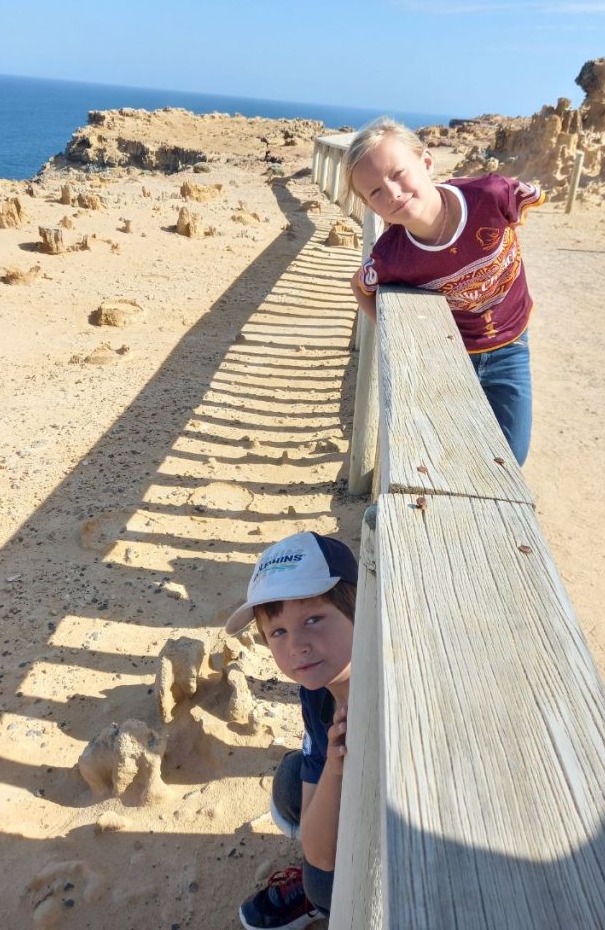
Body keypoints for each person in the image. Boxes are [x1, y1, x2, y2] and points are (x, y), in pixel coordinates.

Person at [345, 117, 546, 466]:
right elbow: (360, 287)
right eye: (375, 191)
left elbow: (529, 197)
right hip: (449, 354)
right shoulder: (393, 256)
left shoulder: (490, 196)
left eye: (397, 173)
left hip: (511, 345)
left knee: (511, 458)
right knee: (449, 455)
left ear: (425, 163)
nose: (392, 192)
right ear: (369, 205)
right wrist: (394, 336)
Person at [226, 531, 358, 930]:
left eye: (313, 618)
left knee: (322, 881)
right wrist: (335, 768)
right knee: (290, 780)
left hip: (400, 836)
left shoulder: (385, 695)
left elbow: (324, 856)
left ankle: (338, 904)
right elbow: (318, 849)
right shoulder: (316, 693)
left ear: (361, 608)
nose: (296, 645)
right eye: (277, 631)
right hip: (349, 798)